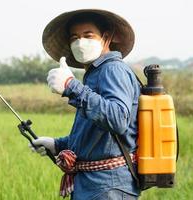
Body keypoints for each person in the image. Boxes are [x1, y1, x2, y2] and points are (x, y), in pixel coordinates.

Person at [29, 9, 141, 199]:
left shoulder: (112, 70)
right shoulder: (95, 73)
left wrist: (71, 86)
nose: (80, 42)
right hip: (93, 183)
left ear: (105, 37)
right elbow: (96, 132)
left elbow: (118, 119)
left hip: (109, 186)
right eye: (74, 37)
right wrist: (57, 144)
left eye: (88, 35)